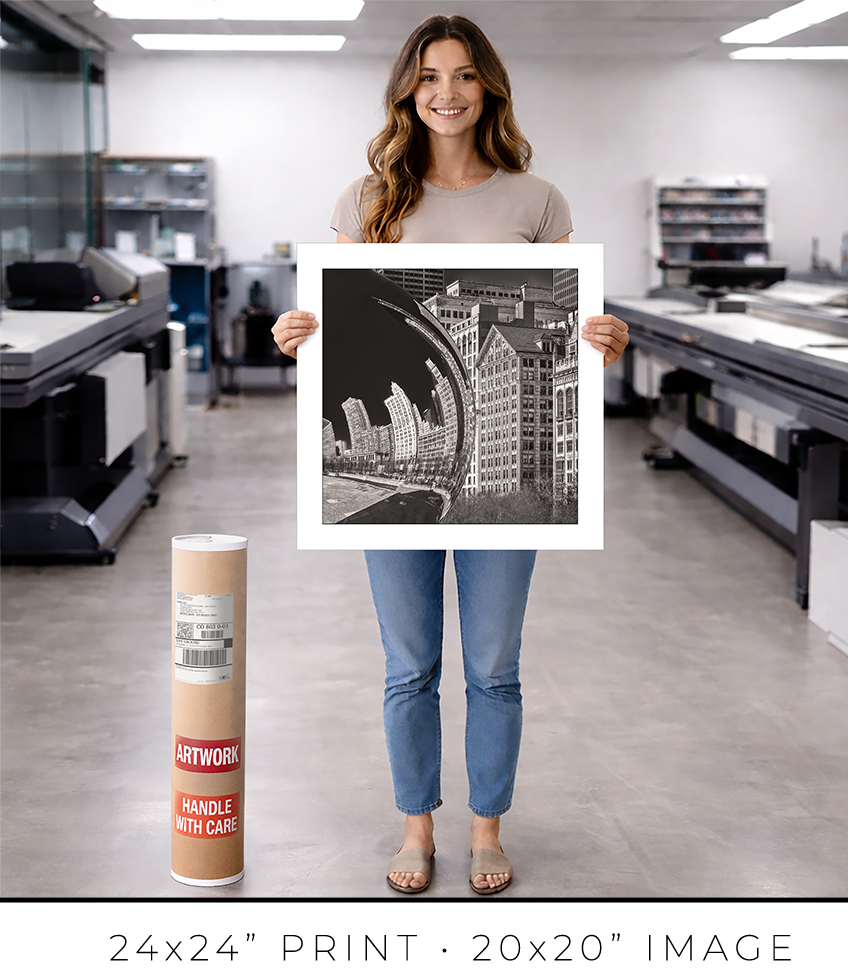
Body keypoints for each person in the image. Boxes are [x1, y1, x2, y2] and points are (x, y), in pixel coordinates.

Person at [273, 14, 629, 895]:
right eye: (430, 76)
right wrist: (297, 333)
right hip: (415, 494)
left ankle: (486, 830)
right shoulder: (366, 201)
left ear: (489, 88)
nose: (447, 93)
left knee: (495, 666)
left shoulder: (538, 200)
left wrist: (602, 336)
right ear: (407, 90)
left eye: (465, 75)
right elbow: (337, 327)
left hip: (509, 495)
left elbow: (566, 323)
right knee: (410, 666)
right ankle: (416, 826)